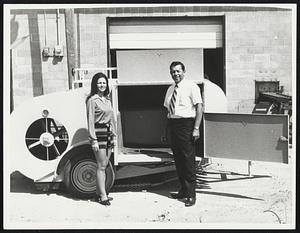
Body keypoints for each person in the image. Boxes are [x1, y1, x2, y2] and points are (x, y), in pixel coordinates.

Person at [163, 61, 203, 207]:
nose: (176, 74)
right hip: (173, 125)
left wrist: (196, 128)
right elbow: (168, 109)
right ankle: (184, 190)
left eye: (178, 71)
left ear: (184, 72)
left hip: (186, 125)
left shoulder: (192, 86)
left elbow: (199, 107)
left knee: (188, 160)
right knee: (178, 159)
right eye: (173, 72)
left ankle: (192, 195)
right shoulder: (170, 89)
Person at [86, 72, 116, 206]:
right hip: (98, 133)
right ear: (95, 84)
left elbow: (112, 119)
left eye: (104, 82)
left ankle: (99, 193)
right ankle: (103, 196)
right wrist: (94, 140)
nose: (102, 85)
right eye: (99, 83)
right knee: (101, 166)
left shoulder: (108, 100)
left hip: (108, 133)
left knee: (105, 164)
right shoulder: (92, 100)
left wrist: (114, 135)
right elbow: (90, 121)